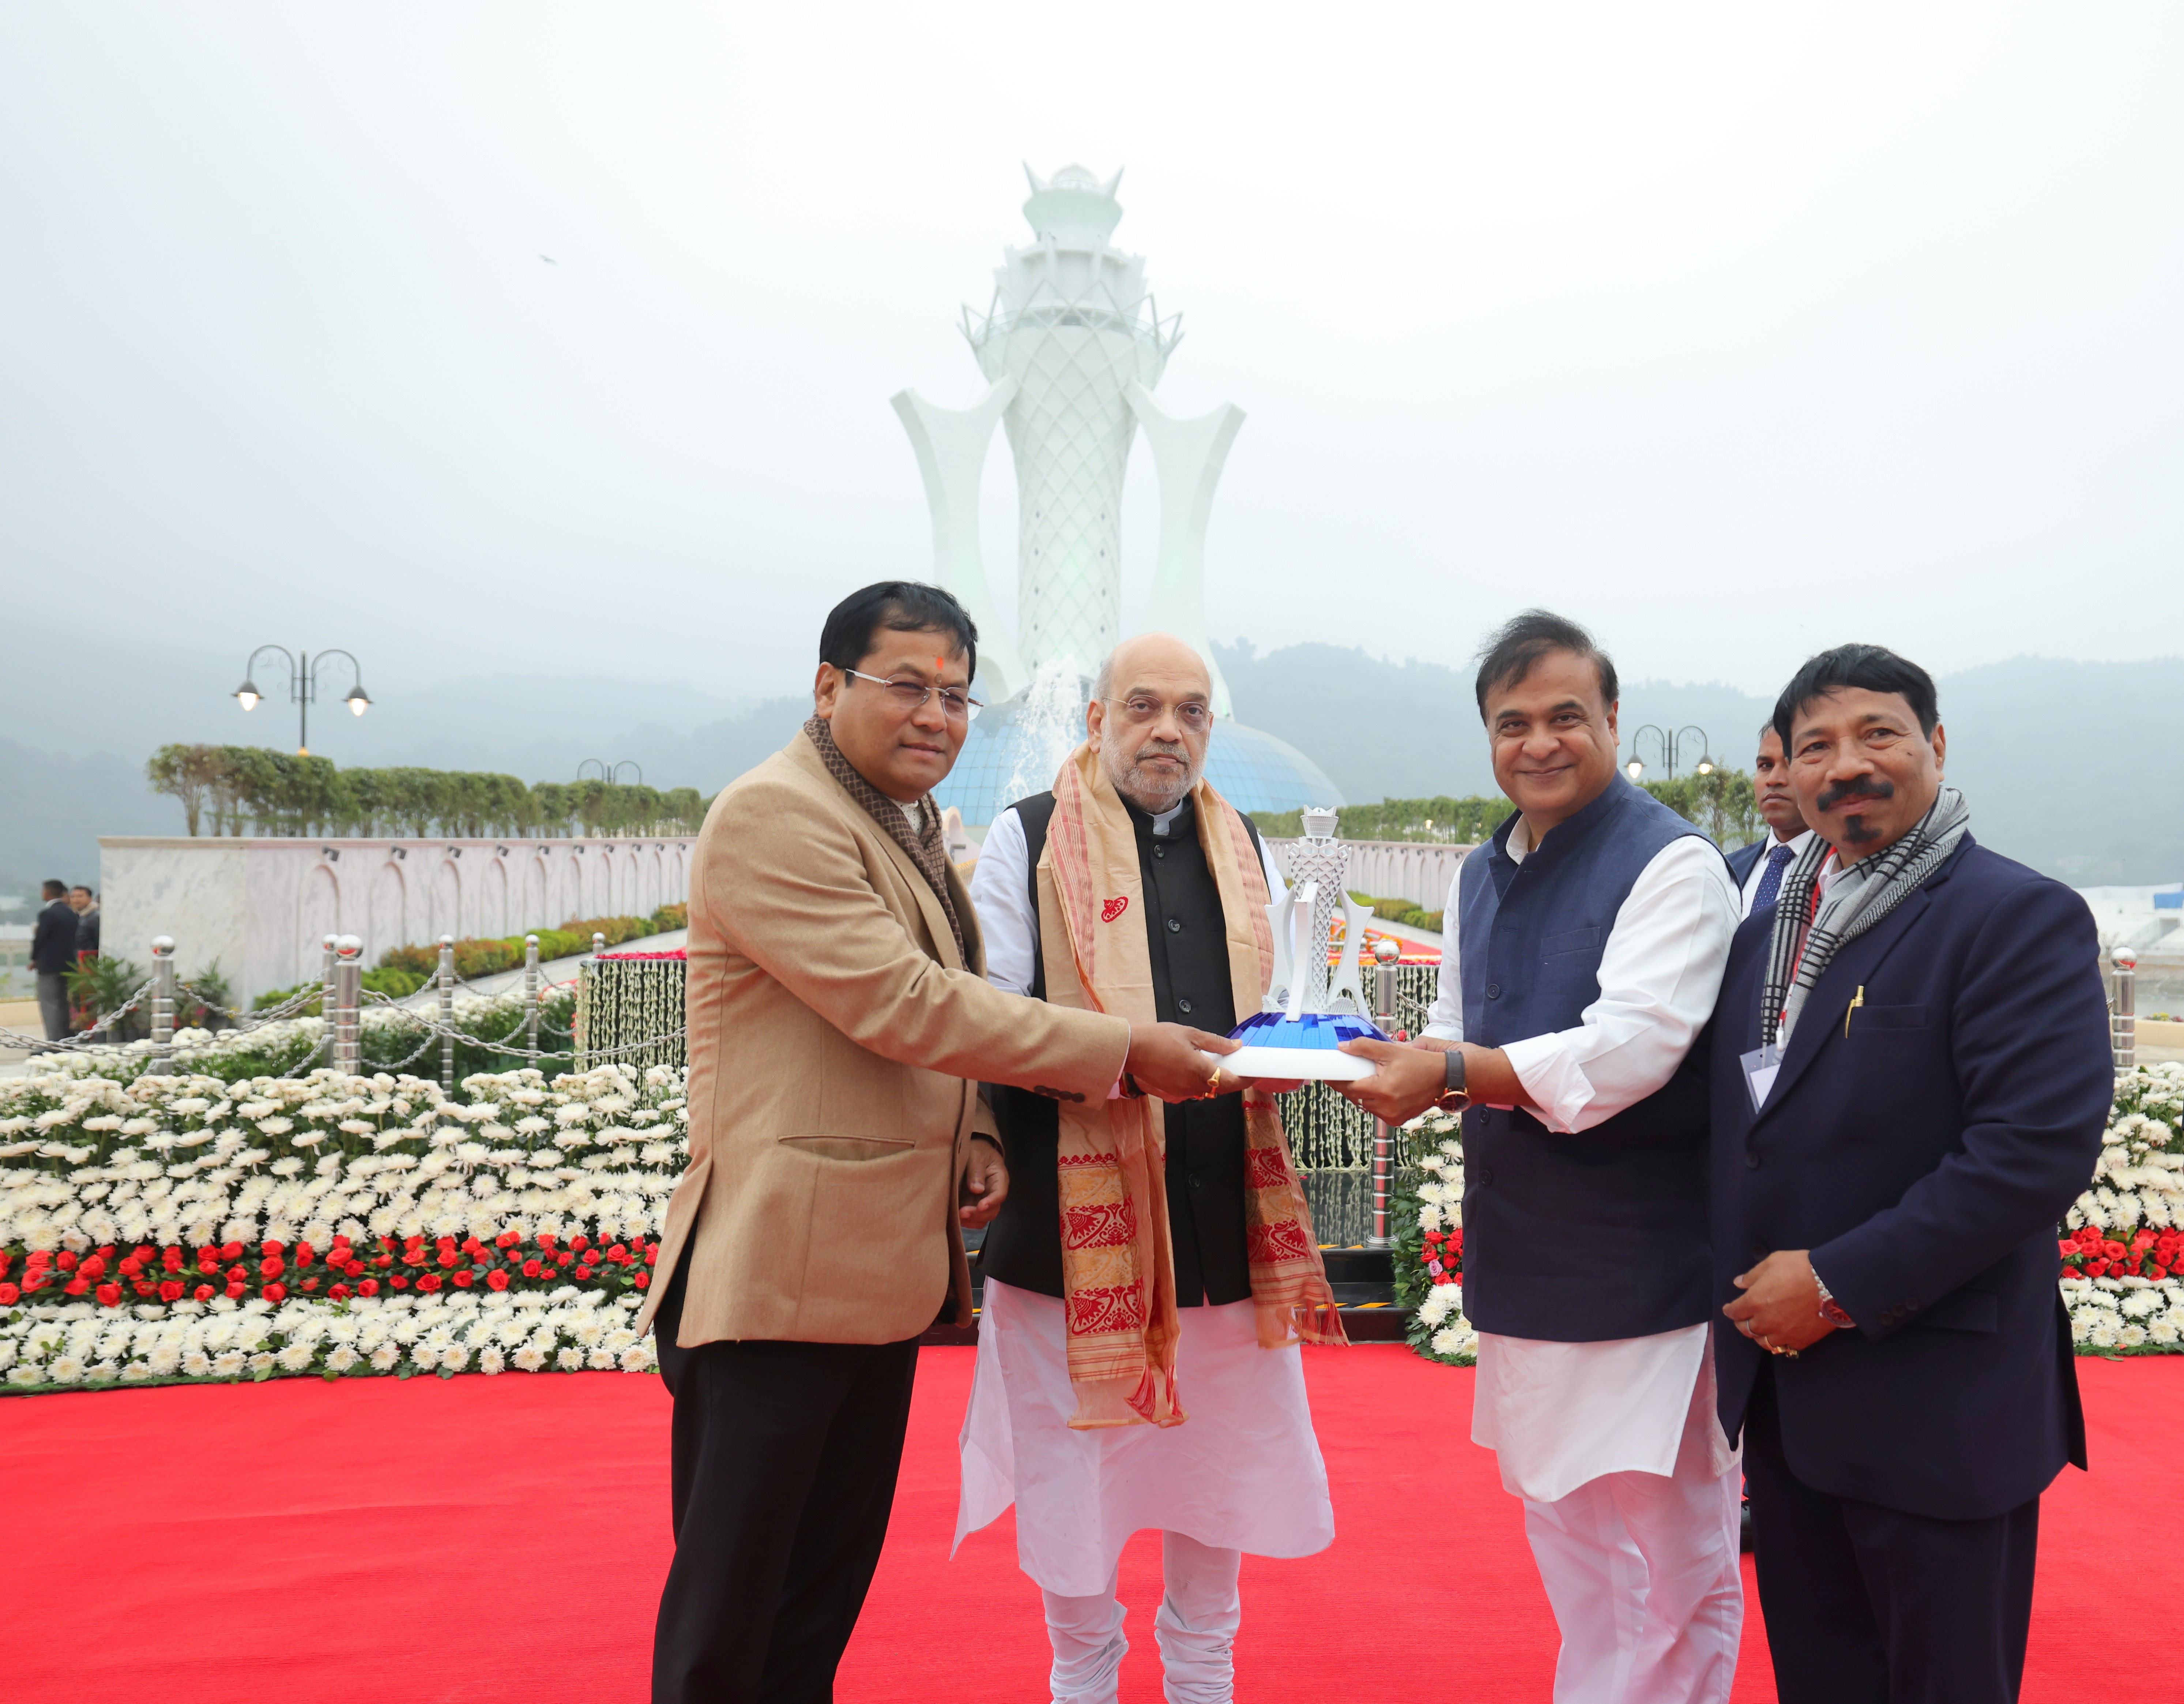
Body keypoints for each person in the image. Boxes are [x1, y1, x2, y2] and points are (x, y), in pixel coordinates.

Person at [638, 581, 1240, 1704]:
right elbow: (904, 1002)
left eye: (956, 695)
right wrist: (1126, 1048)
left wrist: (973, 1127)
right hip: (775, 1274)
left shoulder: (896, 821)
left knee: (811, 1604)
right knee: (731, 1613)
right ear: (829, 686)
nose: (936, 716)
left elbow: (941, 1000)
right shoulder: (777, 815)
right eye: (906, 686)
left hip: (873, 1273)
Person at [1339, 610, 1744, 1704]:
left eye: (1566, 714)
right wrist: (1385, 1065)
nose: (1539, 741)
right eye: (1510, 721)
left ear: (1612, 718)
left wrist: (1452, 1070)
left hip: (1647, 1274)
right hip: (1524, 1260)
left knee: (1668, 1562)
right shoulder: (1481, 869)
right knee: (1573, 1550)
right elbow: (1468, 1028)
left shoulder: (1671, 860)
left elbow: (1630, 1050)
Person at [1709, 644, 2110, 1704]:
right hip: (1791, 1406)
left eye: (1876, 734)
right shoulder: (1763, 935)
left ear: (1933, 745)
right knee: (1823, 1681)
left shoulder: (2013, 917)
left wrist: (1836, 1283)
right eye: (1815, 747)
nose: (1845, 765)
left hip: (1938, 1401)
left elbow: (2030, 1151)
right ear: (1786, 775)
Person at [959, 632, 1343, 1704]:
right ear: (1094, 719)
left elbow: (1281, 1007)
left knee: (1213, 1504)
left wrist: (1313, 1046)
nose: (1167, 729)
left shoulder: (1244, 842)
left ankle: (1199, 1683)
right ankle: (1082, 1680)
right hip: (1070, 1256)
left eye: (1189, 710)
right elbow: (985, 1020)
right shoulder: (1028, 836)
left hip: (1221, 1243)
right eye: (1141, 706)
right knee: (1076, 1506)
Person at [1725, 726, 1816, 919]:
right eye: (1766, 766)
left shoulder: (1844, 870)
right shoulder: (1728, 870)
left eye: (1790, 764)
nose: (1774, 779)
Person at [31, 880, 78, 1045]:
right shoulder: (71, 913)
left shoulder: (47, 914)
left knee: (50, 1004)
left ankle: (54, 1041)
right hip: (68, 965)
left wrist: (34, 959)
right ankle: (66, 1038)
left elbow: (40, 939)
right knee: (63, 1003)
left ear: (49, 892)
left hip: (48, 966)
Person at [69, 886, 100, 956]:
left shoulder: (95, 917)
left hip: (89, 962)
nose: (76, 900)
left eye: (80, 896)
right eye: (73, 897)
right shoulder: (74, 916)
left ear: (90, 899)